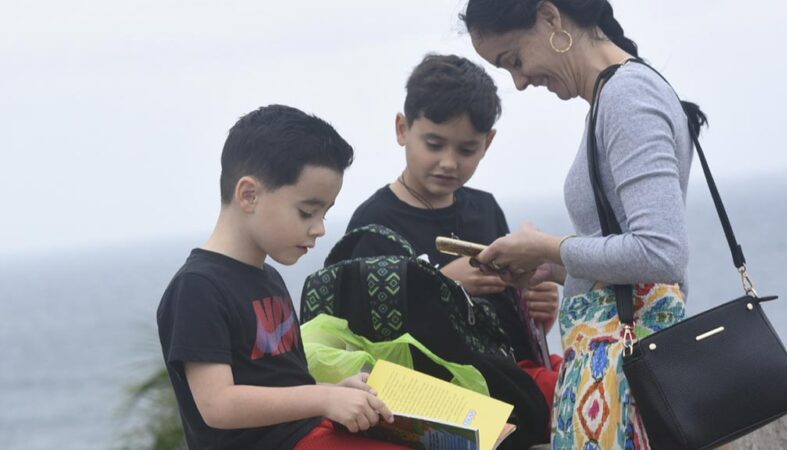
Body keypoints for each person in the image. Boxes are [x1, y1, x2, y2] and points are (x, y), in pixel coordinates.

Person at [461, 0, 707, 448]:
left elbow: (661, 251)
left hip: (622, 369)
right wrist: (552, 270)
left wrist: (547, 247)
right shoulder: (619, 93)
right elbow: (629, 252)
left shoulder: (627, 96)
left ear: (551, 17)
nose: (518, 82)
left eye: (514, 59)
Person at [156, 105, 411, 450]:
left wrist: (336, 393)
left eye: (325, 212)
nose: (319, 228)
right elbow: (217, 405)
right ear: (249, 195)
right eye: (307, 211)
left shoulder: (269, 277)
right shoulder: (198, 287)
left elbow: (286, 384)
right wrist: (323, 397)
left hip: (309, 433)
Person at [345, 53, 562, 408]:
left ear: (487, 143)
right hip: (432, 395)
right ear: (403, 129)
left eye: (466, 149)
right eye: (434, 144)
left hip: (506, 377)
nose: (449, 162)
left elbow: (503, 320)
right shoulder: (374, 224)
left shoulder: (485, 208)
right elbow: (364, 339)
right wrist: (444, 285)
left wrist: (537, 310)